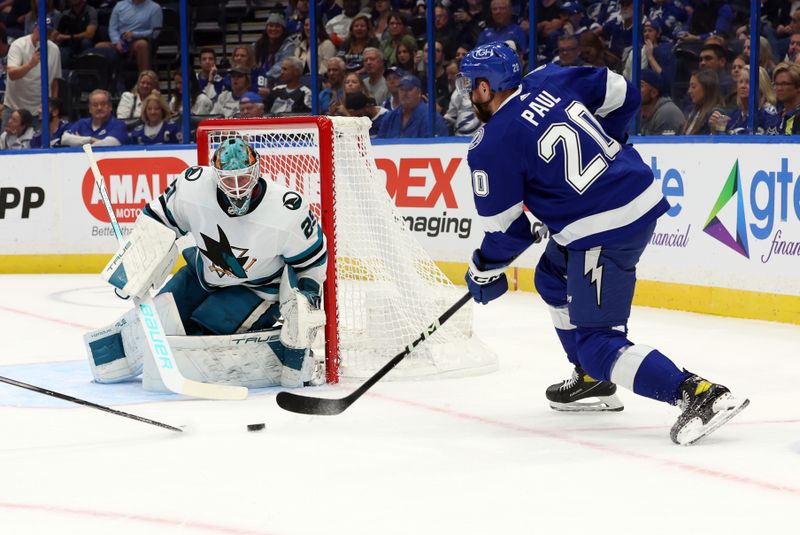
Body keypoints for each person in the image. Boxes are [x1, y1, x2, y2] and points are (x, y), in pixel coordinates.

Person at [457, 42, 748, 445]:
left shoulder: (490, 146)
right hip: (633, 192)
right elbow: (623, 92)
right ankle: (592, 380)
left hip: (604, 229)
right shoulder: (548, 78)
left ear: (487, 88)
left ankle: (699, 394)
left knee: (598, 343)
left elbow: (510, 233)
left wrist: (482, 269)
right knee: (551, 278)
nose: (469, 93)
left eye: (471, 85)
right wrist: (609, 145)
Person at [87, 137, 327, 389]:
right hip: (202, 274)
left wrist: (307, 299)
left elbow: (312, 261)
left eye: (243, 178)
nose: (236, 188)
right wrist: (135, 264)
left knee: (200, 337)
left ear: (256, 173)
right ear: (215, 175)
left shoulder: (287, 209)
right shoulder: (193, 187)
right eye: (227, 179)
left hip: (256, 288)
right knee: (157, 322)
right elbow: (158, 219)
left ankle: (293, 359)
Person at [3, 16, 61, 129]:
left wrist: (53, 107)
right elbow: (12, 74)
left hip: (40, 111)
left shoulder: (54, 50)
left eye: (48, 32)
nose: (44, 34)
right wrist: (30, 64)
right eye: (41, 30)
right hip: (15, 108)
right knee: (7, 144)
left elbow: (55, 81)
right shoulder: (18, 45)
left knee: (39, 145)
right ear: (34, 28)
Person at [709, 65, 779, 135]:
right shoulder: (732, 116)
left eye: (748, 82)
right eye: (740, 82)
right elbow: (721, 143)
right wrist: (715, 130)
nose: (743, 86)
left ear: (761, 86)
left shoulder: (769, 113)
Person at [98, 0, 162, 72]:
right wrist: (116, 42)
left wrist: (135, 34)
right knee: (100, 46)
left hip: (139, 41)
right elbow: (113, 28)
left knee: (142, 44)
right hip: (121, 42)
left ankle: (145, 78)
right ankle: (104, 81)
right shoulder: (119, 5)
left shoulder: (154, 8)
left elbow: (155, 32)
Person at [377, 74, 448, 138]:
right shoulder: (389, 117)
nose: (404, 93)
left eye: (409, 89)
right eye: (401, 89)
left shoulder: (432, 118)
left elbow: (439, 146)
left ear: (419, 92)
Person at [61, 89, 128, 146]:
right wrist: (90, 139)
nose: (99, 108)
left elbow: (108, 144)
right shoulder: (82, 123)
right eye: (95, 105)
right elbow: (64, 139)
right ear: (90, 108)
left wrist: (79, 141)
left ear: (110, 107)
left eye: (103, 104)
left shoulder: (118, 124)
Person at [253, 13, 298, 98]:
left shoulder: (289, 45)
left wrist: (264, 76)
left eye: (277, 26)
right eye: (270, 25)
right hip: (259, 81)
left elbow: (282, 65)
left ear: (283, 29)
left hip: (278, 82)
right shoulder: (258, 44)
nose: (273, 29)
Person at [639, 69, 686, 135]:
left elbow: (664, 144)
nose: (634, 89)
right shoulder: (638, 113)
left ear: (654, 93)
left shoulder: (667, 113)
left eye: (640, 86)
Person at [54, 0, 97, 67]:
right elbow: (57, 32)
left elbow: (90, 34)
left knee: (85, 42)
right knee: (62, 51)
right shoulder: (66, 13)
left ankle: (88, 68)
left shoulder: (91, 11)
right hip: (70, 44)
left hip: (84, 43)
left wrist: (67, 37)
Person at [682, 70, 723, 135]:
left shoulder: (719, 113)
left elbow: (723, 141)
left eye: (693, 87)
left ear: (707, 88)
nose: (689, 91)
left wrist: (716, 131)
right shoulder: (694, 111)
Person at [773, 61, 800, 134]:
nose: (779, 88)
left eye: (784, 84)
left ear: (798, 87)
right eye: (776, 84)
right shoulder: (776, 116)